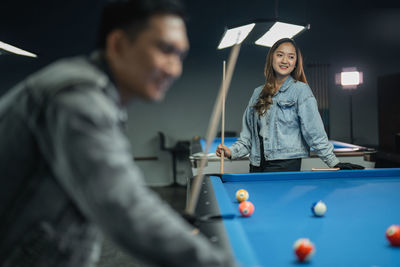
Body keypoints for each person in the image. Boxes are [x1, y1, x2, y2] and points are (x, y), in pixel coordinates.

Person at [0, 0, 235, 266]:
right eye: (165, 50)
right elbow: (123, 206)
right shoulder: (77, 99)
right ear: (118, 45)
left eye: (180, 56)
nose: (174, 68)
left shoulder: (97, 94)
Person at [216, 38, 364, 172]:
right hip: (256, 164)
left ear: (295, 64)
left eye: (291, 57)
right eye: (280, 55)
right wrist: (231, 152)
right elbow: (248, 137)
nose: (285, 60)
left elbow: (314, 132)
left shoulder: (301, 91)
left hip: (284, 164)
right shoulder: (257, 93)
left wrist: (333, 162)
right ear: (271, 58)